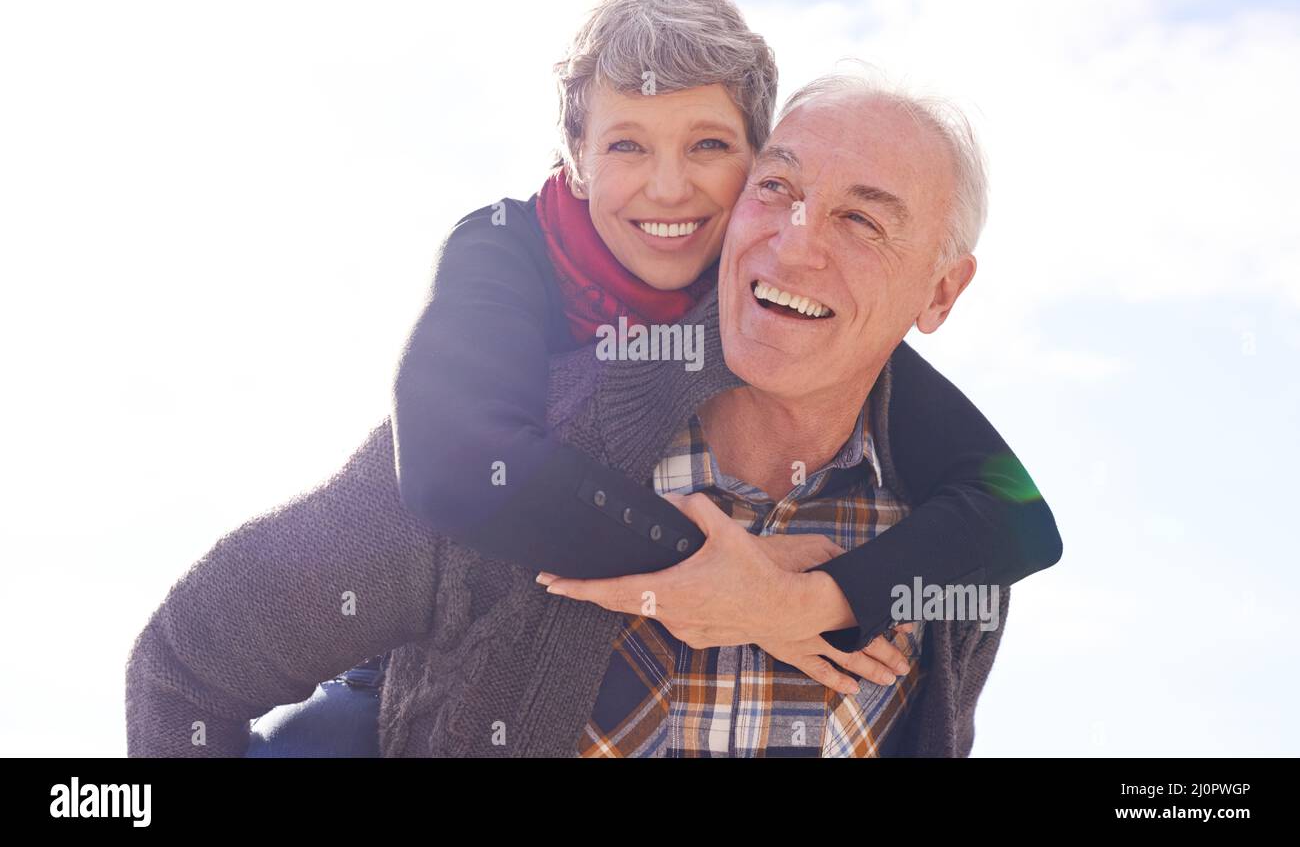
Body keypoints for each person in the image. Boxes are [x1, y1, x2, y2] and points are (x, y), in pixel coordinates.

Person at [126, 71, 1058, 758]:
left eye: (863, 220)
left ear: (942, 292)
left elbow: (1019, 520)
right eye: (777, 188)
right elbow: (189, 666)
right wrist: (710, 579)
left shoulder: (951, 561)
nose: (795, 244)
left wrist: (806, 601)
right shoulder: (516, 430)